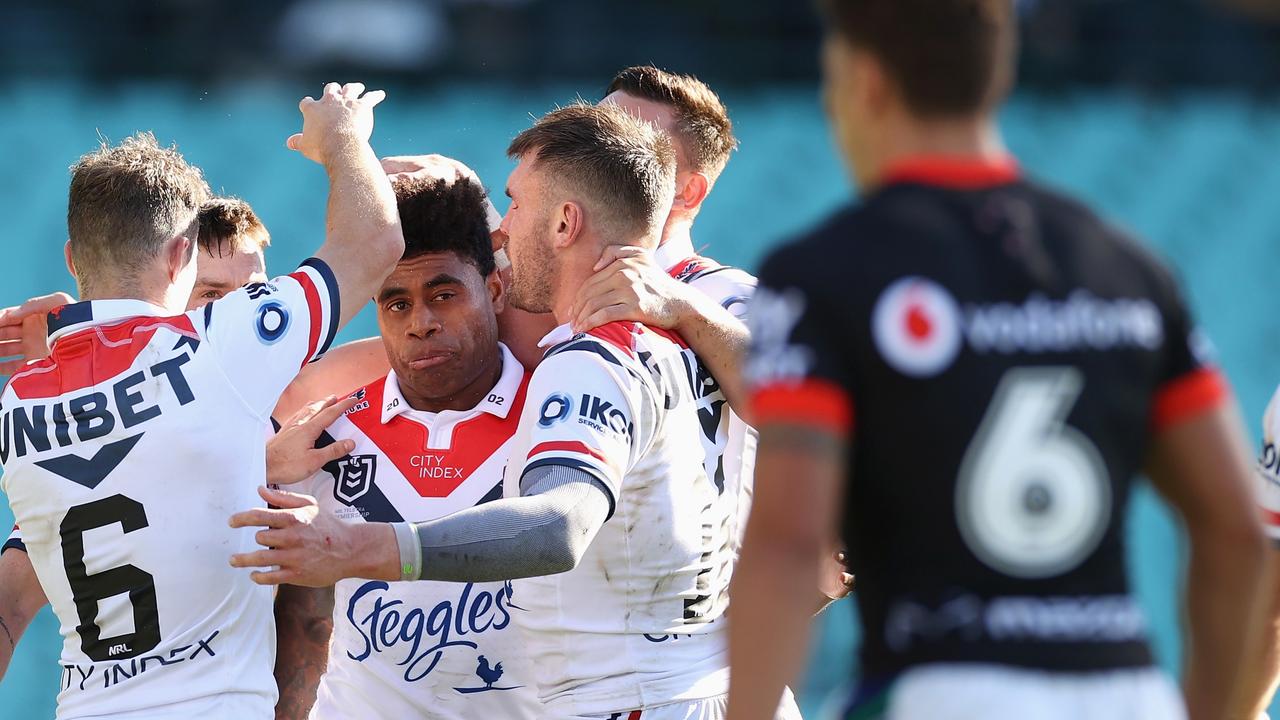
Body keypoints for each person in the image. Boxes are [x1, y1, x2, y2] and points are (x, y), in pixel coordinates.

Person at [727, 2, 1268, 719]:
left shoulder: (821, 276)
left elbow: (790, 548)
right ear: (997, 76)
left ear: (864, 82)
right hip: (1123, 694)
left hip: (937, 691)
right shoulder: (1128, 269)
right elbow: (1234, 532)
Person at [232, 102, 791, 720]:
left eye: (515, 204)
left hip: (633, 700)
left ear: (563, 223)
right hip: (701, 685)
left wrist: (360, 548)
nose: (503, 228)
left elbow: (559, 524)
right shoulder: (683, 339)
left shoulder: (592, 359)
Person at [0, 81, 404, 719]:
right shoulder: (216, 348)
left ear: (75, 258)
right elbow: (376, 241)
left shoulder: (17, 402)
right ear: (182, 254)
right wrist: (345, 136)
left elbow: (11, 604)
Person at [272, 175, 543, 719]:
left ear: (494, 290)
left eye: (444, 295)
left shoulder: (560, 420)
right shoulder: (324, 432)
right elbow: (296, 618)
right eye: (396, 304)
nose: (420, 323)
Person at [0, 195, 276, 681]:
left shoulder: (322, 403)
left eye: (253, 294)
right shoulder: (91, 459)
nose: (238, 316)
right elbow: (10, 604)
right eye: (212, 296)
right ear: (170, 288)